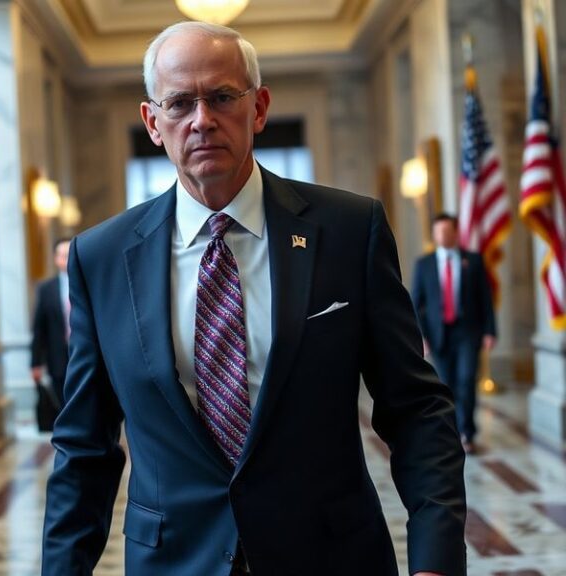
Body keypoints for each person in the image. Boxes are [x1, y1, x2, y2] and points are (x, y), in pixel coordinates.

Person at [42, 21, 466, 576]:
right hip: (174, 561)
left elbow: (415, 410)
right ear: (152, 122)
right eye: (179, 103)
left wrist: (435, 560)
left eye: (221, 97)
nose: (201, 120)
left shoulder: (347, 230)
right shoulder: (101, 258)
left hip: (332, 556)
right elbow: (84, 450)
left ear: (259, 107)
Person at [411, 213, 496, 454]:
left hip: (468, 332)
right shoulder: (424, 264)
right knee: (445, 386)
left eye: (447, 231)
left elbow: (485, 300)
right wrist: (422, 337)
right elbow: (416, 304)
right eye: (438, 232)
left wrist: (490, 331)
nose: (442, 236)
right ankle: (451, 433)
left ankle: (467, 432)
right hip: (438, 336)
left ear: (456, 233)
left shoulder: (474, 261)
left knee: (467, 380)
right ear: (434, 234)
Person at [30, 237, 72, 411]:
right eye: (63, 255)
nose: (67, 260)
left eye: (70, 255)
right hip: (57, 357)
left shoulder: (89, 284)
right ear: (56, 259)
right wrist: (35, 363)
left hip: (86, 354)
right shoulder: (47, 289)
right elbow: (39, 328)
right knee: (63, 404)